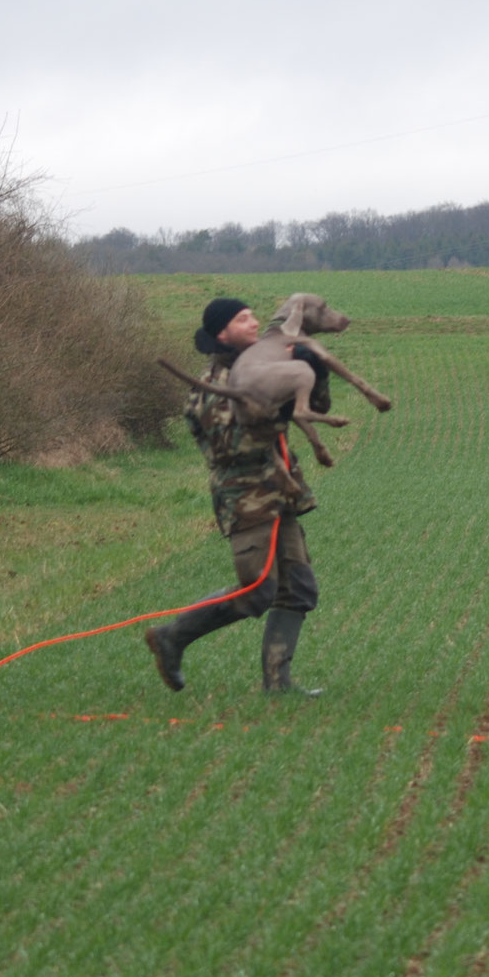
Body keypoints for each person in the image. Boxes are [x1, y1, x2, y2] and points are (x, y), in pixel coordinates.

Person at [144, 296, 325, 696]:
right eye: (243, 320)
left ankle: (278, 684)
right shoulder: (212, 387)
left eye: (253, 316)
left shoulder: (260, 371)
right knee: (256, 590)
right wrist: (276, 410)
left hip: (281, 494)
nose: (255, 323)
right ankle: (172, 637)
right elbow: (233, 449)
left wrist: (311, 373)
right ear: (221, 332)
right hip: (246, 499)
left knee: (297, 588)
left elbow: (309, 405)